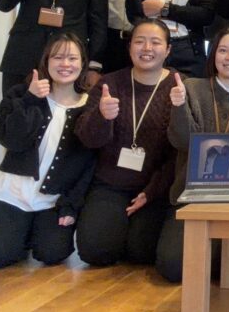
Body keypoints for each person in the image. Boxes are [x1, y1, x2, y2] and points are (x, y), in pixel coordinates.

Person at [156, 26, 229, 282]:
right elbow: (181, 141)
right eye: (223, 50)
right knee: (173, 267)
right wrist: (179, 106)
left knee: (227, 268)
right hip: (192, 195)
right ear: (213, 55)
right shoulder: (191, 88)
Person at [74, 19, 178, 267]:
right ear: (129, 47)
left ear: (168, 50)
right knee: (95, 252)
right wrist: (102, 117)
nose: (147, 48)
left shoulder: (179, 86)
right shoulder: (109, 84)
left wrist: (152, 191)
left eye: (155, 42)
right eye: (139, 41)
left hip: (155, 188)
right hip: (110, 184)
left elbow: (179, 152)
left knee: (141, 252)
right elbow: (87, 139)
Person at [0, 33, 95, 268]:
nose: (65, 64)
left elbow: (88, 165)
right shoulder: (22, 93)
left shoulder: (89, 107)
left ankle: (30, 231)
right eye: (57, 57)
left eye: (72, 58)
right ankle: (18, 232)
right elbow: (10, 139)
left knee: (52, 253)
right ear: (46, 61)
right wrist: (30, 99)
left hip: (52, 201)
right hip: (13, 193)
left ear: (83, 63)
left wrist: (71, 205)